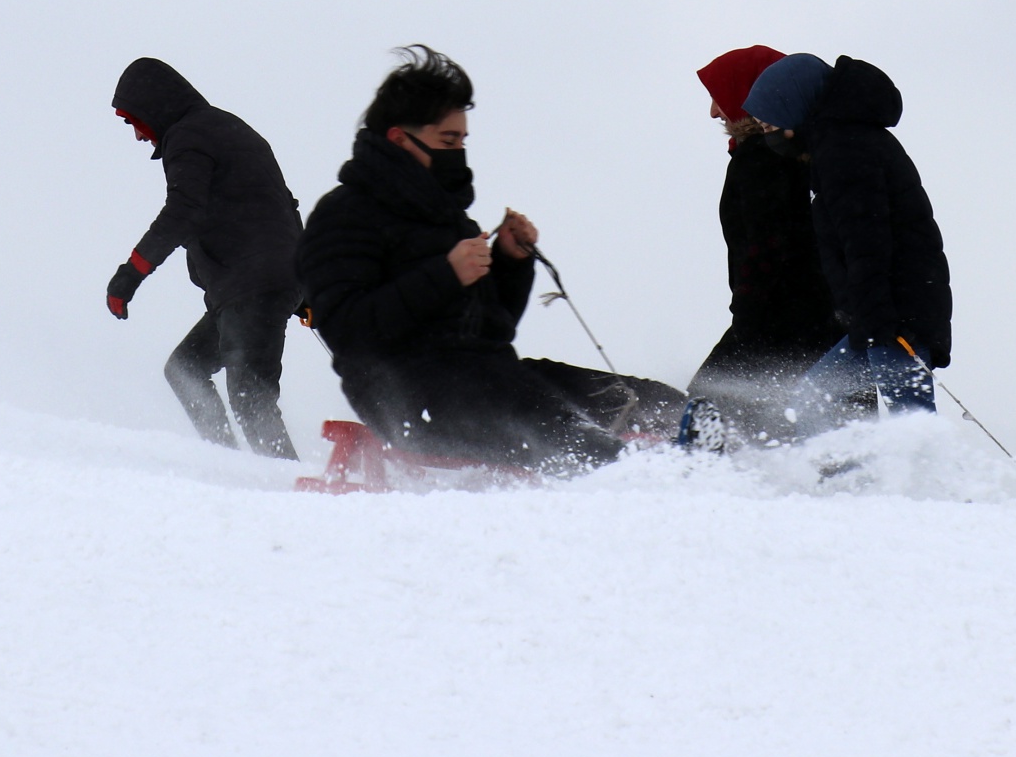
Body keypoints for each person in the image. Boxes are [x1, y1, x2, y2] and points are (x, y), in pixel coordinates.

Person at [297, 46, 684, 473]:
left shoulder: (447, 219)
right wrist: (445, 275)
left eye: (462, 140)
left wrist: (509, 262)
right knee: (577, 439)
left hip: (493, 379)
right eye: (448, 140)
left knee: (654, 403)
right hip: (413, 400)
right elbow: (349, 333)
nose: (458, 151)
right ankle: (650, 484)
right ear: (398, 139)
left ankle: (733, 461)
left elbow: (491, 330)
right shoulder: (344, 215)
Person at [740, 53, 952, 436]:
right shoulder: (842, 145)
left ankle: (925, 489)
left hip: (893, 318)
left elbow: (867, 241)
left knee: (912, 426)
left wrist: (876, 322)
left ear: (795, 106)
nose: (767, 133)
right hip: (885, 314)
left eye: (771, 123)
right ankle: (853, 485)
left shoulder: (845, 151)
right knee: (812, 402)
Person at [105, 57, 303, 459]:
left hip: (251, 284)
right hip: (256, 283)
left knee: (250, 398)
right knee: (187, 370)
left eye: (132, 121)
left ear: (152, 107)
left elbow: (183, 212)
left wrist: (130, 274)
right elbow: (284, 204)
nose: (138, 137)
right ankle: (227, 464)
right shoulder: (228, 128)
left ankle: (291, 488)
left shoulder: (189, 137)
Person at [685, 46, 840, 442]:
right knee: (799, 427)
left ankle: (706, 488)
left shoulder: (761, 159)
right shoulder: (793, 155)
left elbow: (768, 246)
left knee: (706, 405)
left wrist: (748, 320)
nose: (714, 112)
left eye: (718, 95)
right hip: (817, 320)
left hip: (778, 321)